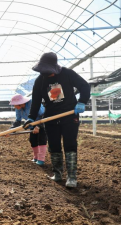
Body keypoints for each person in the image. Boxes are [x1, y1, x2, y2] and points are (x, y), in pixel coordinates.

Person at [24, 52, 90, 188]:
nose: (48, 74)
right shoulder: (40, 81)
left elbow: (84, 86)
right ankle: (58, 173)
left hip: (69, 115)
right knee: (54, 145)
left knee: (70, 144)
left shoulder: (67, 74)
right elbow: (35, 101)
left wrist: (82, 101)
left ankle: (72, 176)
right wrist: (31, 117)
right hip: (51, 117)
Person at [9, 94, 47, 165]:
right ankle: (36, 157)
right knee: (32, 140)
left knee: (41, 139)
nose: (14, 106)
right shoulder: (18, 109)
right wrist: (10, 131)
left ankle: (41, 159)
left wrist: (38, 126)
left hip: (42, 122)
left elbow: (44, 115)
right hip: (31, 124)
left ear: (21, 103)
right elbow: (18, 121)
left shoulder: (33, 104)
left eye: (15, 104)